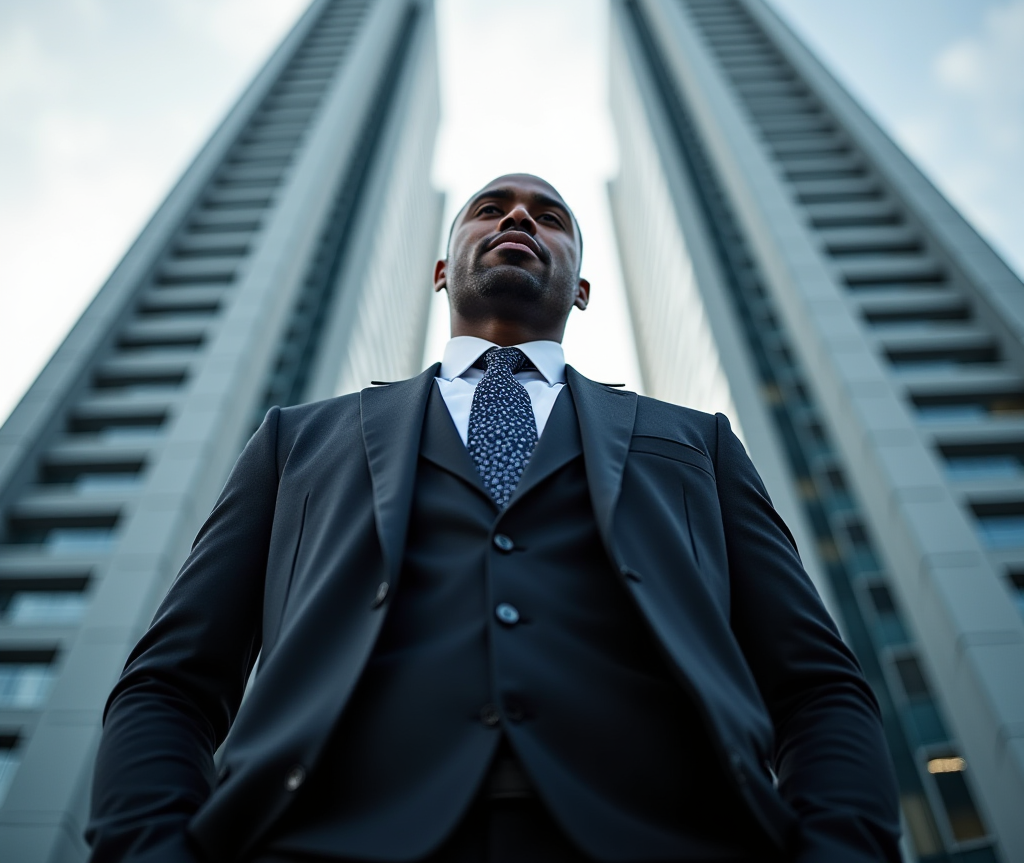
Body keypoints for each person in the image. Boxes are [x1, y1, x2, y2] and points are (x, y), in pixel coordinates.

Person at [87, 173, 901, 863]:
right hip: (318, 838)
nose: (518, 218)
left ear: (580, 288)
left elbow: (817, 688)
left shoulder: (700, 444)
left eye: (551, 218)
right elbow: (172, 683)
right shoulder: (296, 441)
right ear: (442, 271)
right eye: (491, 208)